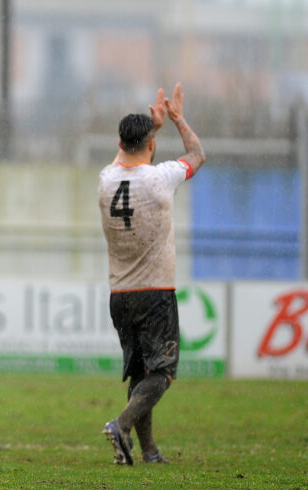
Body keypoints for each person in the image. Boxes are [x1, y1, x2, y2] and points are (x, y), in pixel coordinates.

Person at [98, 82, 205, 465]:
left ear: (120, 142)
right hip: (155, 292)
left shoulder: (106, 180)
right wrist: (174, 119)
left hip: (120, 296)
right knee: (162, 372)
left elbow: (126, 157)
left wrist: (148, 131)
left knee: (140, 371)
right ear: (152, 145)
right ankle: (121, 425)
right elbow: (197, 154)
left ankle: (149, 452)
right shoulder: (161, 178)